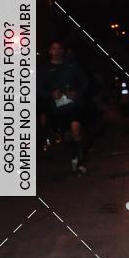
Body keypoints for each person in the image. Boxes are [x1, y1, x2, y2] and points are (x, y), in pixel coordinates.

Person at [39, 41, 89, 174]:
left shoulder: (72, 65)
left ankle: (81, 163)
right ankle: (74, 157)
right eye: (54, 49)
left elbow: (85, 82)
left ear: (63, 51)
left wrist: (76, 92)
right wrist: (51, 94)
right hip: (58, 109)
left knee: (76, 130)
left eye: (59, 48)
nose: (57, 51)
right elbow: (38, 89)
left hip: (74, 105)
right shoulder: (44, 70)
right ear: (50, 51)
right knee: (67, 136)